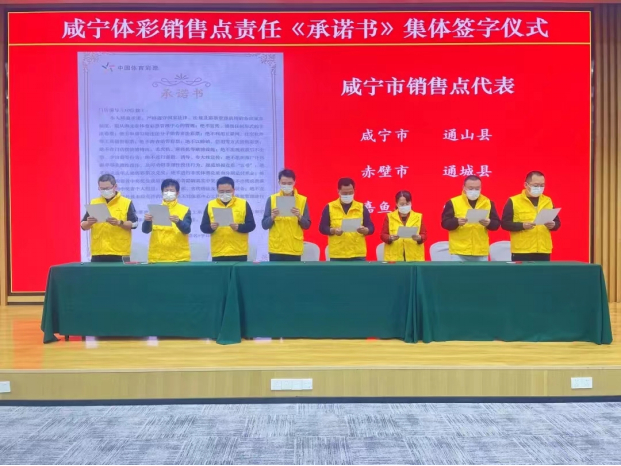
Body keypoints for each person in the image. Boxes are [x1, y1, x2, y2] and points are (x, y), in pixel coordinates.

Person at [501, 171, 561, 261]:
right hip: (522, 251)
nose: (539, 188)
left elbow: (557, 222)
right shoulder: (514, 201)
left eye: (542, 185)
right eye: (536, 185)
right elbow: (505, 224)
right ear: (526, 185)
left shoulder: (547, 200)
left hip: (543, 250)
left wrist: (553, 225)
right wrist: (522, 225)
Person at [441, 175, 501, 261]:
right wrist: (456, 222)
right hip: (459, 252)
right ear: (464, 187)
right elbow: (444, 223)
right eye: (471, 188)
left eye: (477, 188)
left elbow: (496, 224)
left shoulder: (488, 202)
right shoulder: (453, 202)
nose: (474, 191)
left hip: (481, 251)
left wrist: (489, 223)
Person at [80, 174, 138, 262]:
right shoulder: (94, 202)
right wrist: (89, 222)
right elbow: (83, 226)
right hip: (98, 252)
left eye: (107, 188)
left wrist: (119, 223)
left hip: (120, 252)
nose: (105, 191)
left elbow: (135, 224)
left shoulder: (126, 202)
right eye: (102, 189)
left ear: (115, 186)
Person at [200, 176, 256, 262]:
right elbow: (203, 227)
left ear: (234, 190)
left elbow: (251, 225)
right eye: (221, 191)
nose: (225, 194)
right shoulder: (211, 204)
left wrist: (239, 227)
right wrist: (211, 227)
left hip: (239, 252)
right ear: (217, 190)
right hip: (218, 252)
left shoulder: (243, 204)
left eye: (228, 191)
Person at [319, 178, 374, 261]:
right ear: (338, 191)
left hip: (357, 254)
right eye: (345, 193)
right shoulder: (330, 207)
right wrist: (333, 230)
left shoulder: (361, 207)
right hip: (337, 254)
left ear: (354, 191)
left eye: (350, 192)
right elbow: (322, 228)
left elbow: (371, 227)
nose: (348, 195)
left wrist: (366, 230)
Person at [261, 169, 311, 261]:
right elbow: (264, 225)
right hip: (276, 248)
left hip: (294, 249)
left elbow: (307, 225)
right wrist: (272, 217)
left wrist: (299, 216)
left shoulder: (302, 200)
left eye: (289, 183)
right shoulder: (272, 199)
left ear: (294, 182)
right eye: (284, 183)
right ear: (279, 182)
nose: (286, 186)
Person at [142, 179, 191, 263]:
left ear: (177, 193)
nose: (168, 193)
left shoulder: (184, 209)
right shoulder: (156, 209)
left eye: (171, 191)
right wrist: (147, 221)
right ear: (162, 192)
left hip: (179, 258)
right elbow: (145, 230)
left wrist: (178, 222)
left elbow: (187, 229)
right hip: (157, 257)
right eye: (166, 190)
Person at [381, 191, 427, 261]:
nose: (405, 206)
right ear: (397, 204)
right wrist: (390, 238)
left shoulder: (418, 216)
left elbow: (424, 234)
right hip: (394, 257)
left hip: (414, 256)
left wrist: (420, 238)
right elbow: (383, 235)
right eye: (402, 204)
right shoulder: (389, 216)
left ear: (411, 203)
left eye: (407, 203)